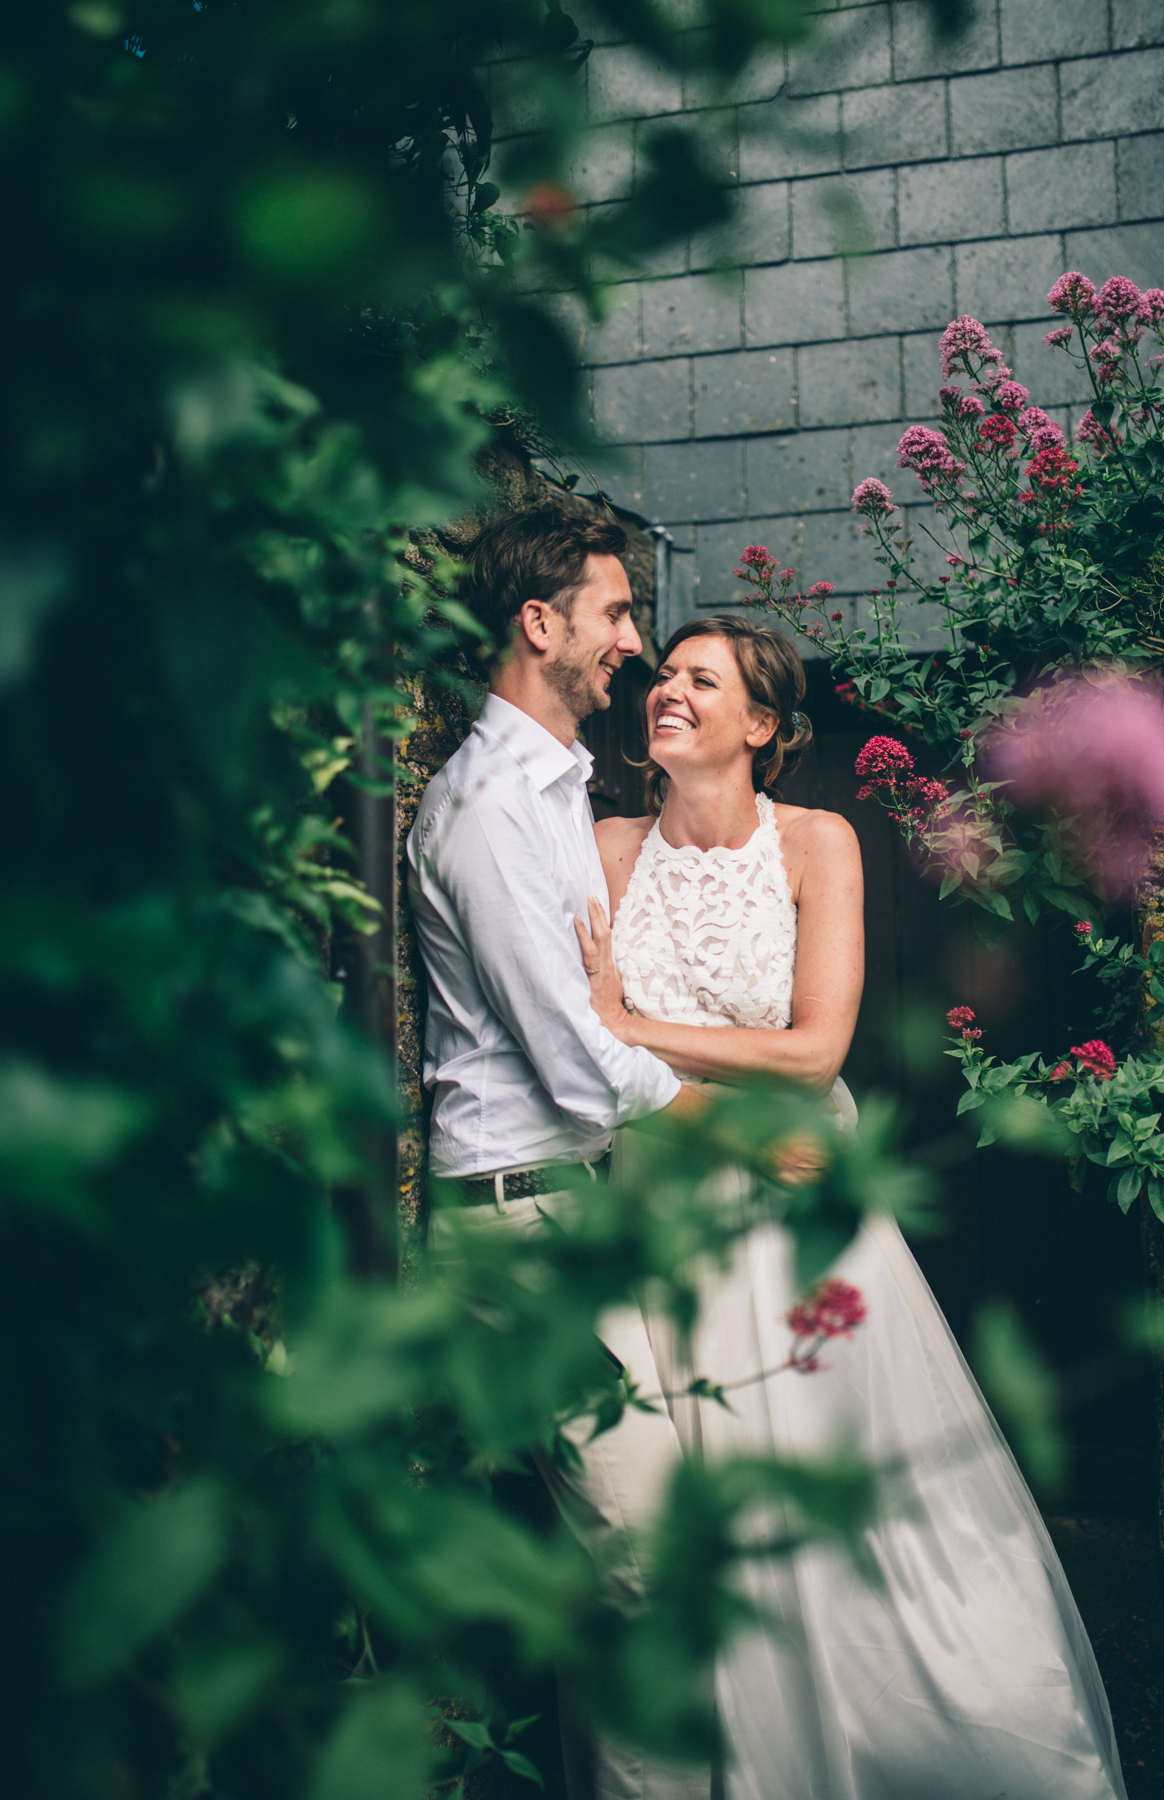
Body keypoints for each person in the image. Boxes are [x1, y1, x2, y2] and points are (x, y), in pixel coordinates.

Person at [574, 613, 1128, 1800]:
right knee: (691, 1529)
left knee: (856, 1508)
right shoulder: (606, 846)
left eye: (699, 681)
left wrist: (630, 1027)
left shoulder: (819, 841)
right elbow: (587, 1065)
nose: (665, 691)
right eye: (663, 675)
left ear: (762, 724)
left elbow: (816, 1050)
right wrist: (652, 1063)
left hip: (802, 1216)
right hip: (663, 1210)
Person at [406, 505, 708, 1800]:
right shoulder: (483, 810)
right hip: (521, 1222)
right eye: (616, 615)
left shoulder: (551, 792)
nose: (632, 646)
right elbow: (572, 1055)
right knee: (642, 1566)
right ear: (541, 625)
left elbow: (599, 1015)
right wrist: (721, 1119)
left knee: (633, 1573)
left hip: (569, 1202)